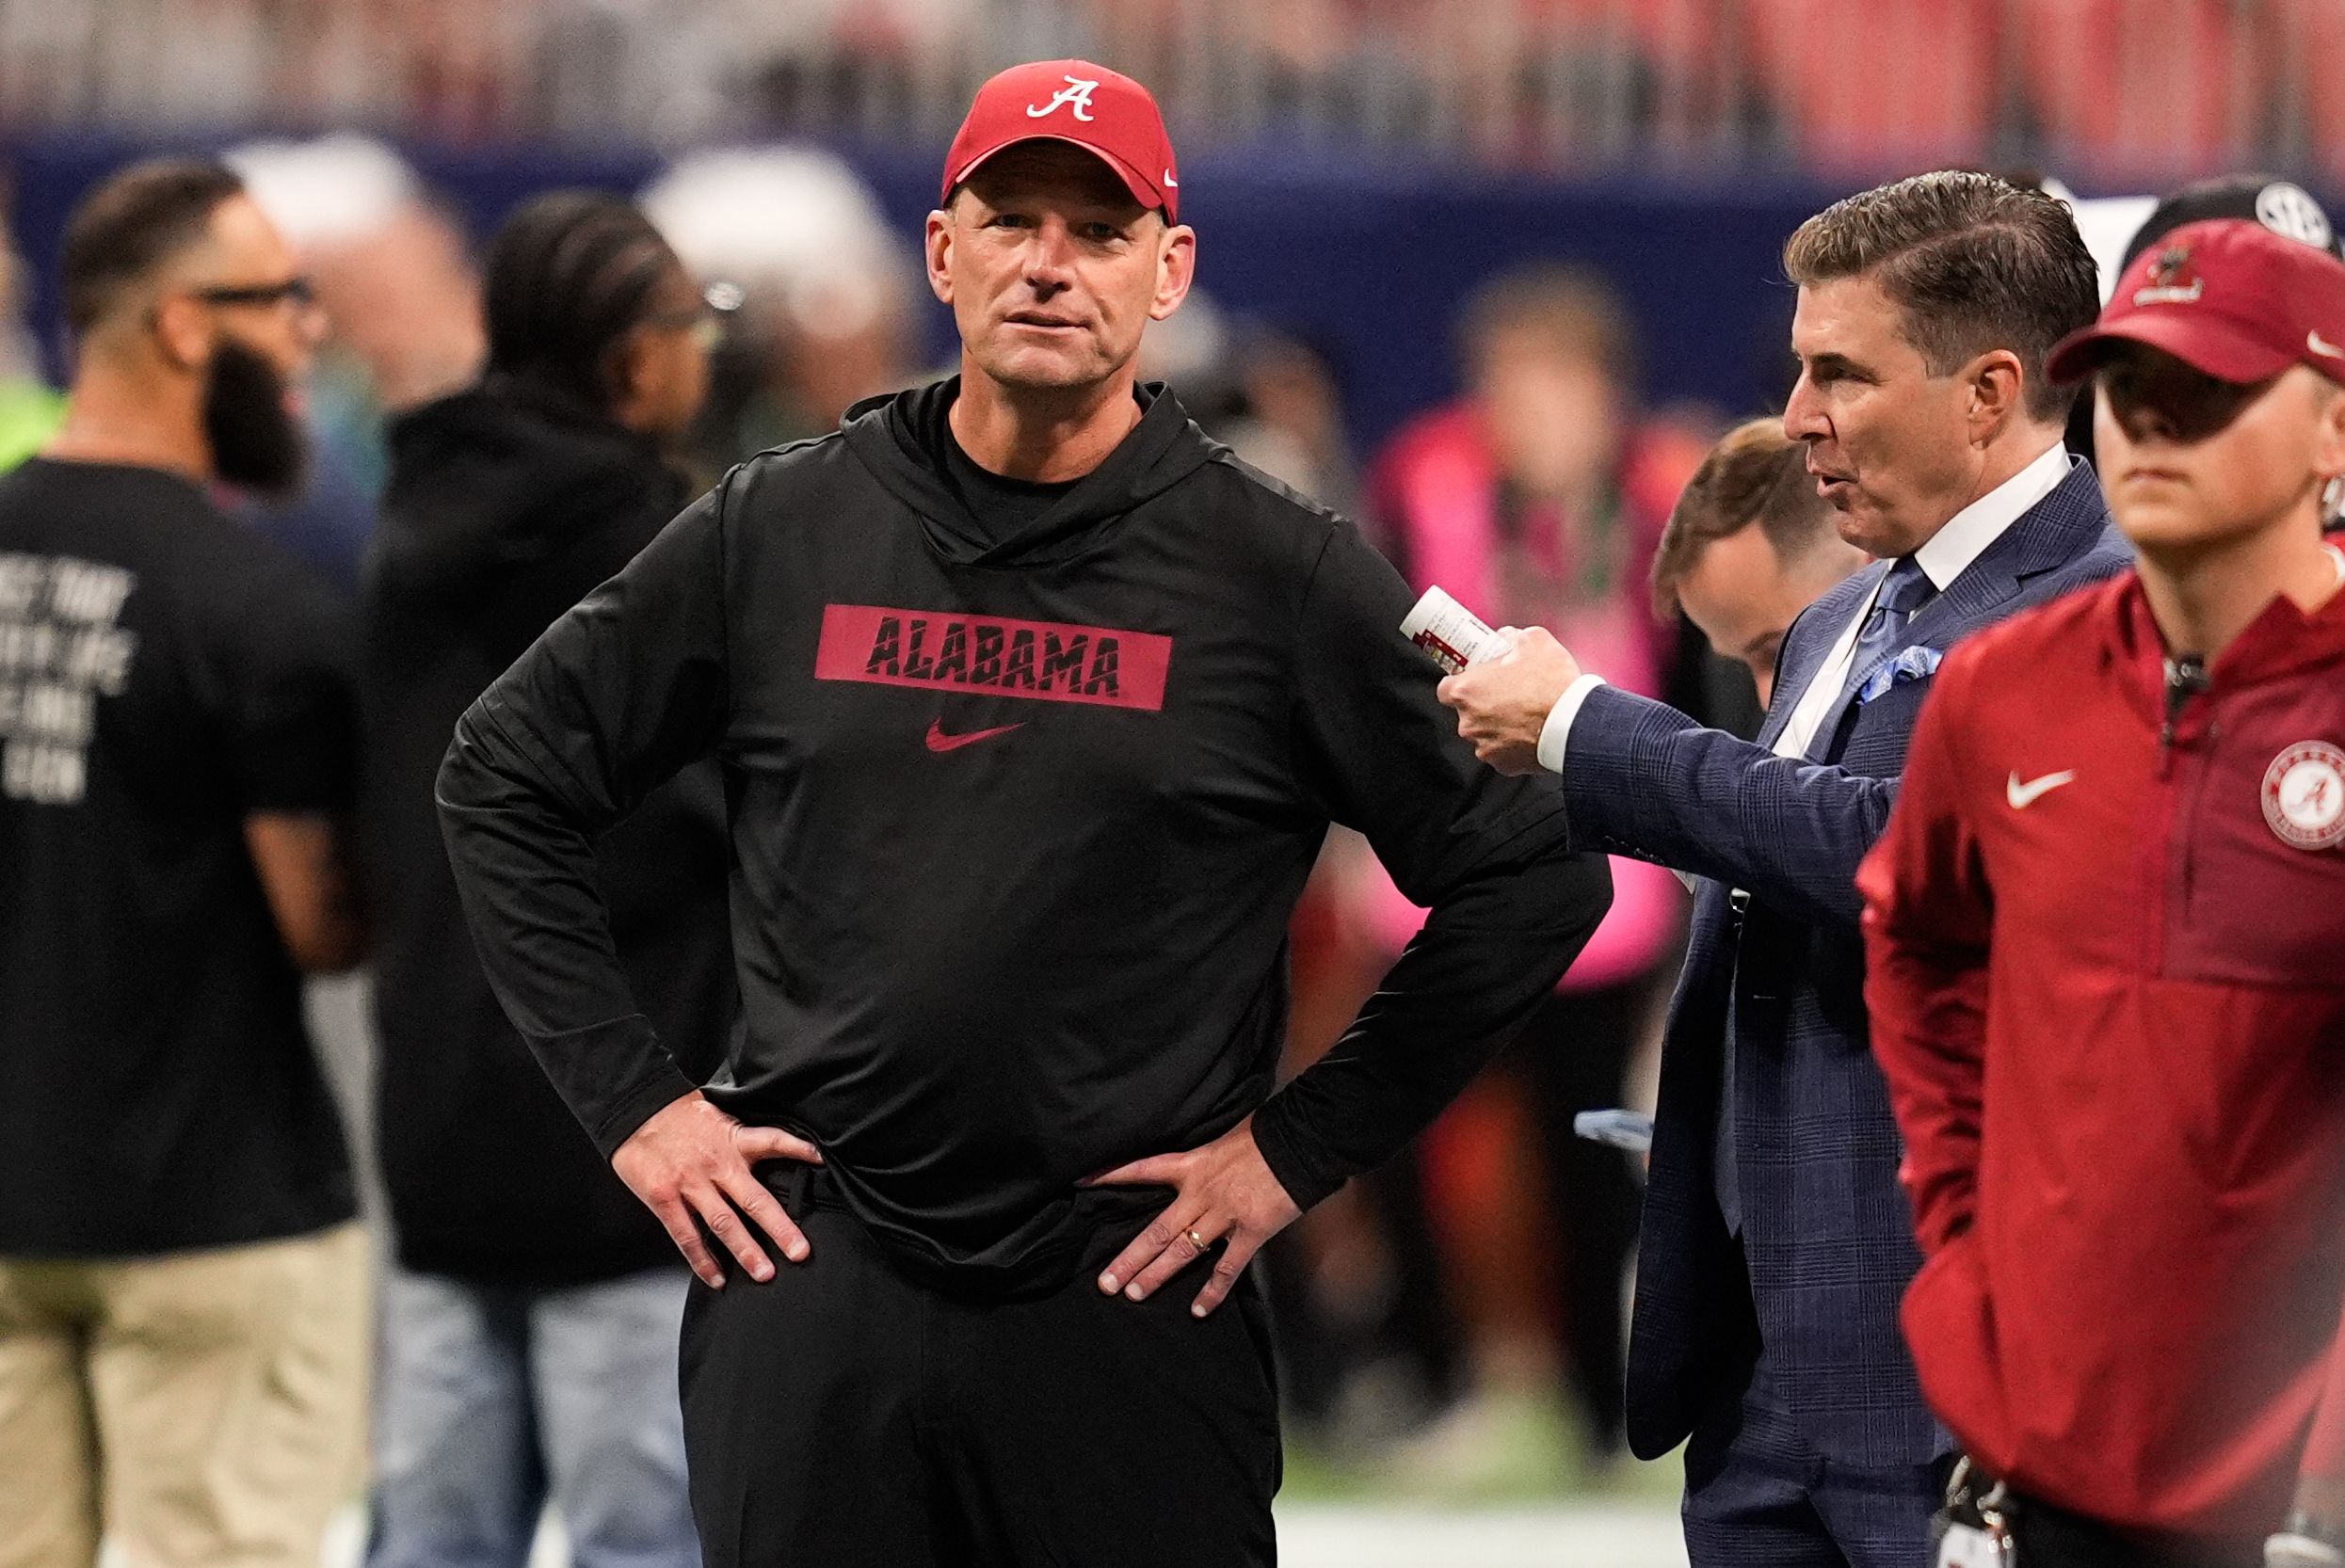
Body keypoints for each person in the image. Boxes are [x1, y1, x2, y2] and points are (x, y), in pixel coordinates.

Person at [435, 58, 1611, 1568]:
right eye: (1011, 220)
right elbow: (501, 774)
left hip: (1127, 1295)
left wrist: (1299, 1149)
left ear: (1169, 269)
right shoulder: (780, 524)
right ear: (941, 251)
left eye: (1100, 229)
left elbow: (1530, 871)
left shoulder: (1276, 573)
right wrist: (642, 1115)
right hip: (814, 1281)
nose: (1049, 263)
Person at [1437, 169, 2131, 1565]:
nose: (1797, 411)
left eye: (1838, 372)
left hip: (1946, 1395)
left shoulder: (2097, 604)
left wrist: (1584, 730)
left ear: (1989, 392)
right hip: (1764, 1385)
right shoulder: (1843, 613)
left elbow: (1881, 845)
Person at [1858, 218, 2345, 1568]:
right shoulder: (2001, 687)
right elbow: (1913, 947)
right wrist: (1962, 1239)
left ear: (2333, 436)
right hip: (2049, 1467)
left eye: (2210, 391)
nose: (2149, 425)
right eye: (2125, 388)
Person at [0, 159, 367, 1568]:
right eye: (280, 302)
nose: (305, 336)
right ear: (181, 328)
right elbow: (321, 928)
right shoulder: (255, 606)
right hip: (214, 1206)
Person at [360, 192, 731, 1568]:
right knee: (645, 1542)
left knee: (432, 1541)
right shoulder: (666, 546)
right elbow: (711, 830)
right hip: (637, 1137)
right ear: (635, 359)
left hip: (439, 1120)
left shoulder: (406, 521)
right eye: (695, 326)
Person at [1366, 263, 1692, 1462]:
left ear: (1609, 397)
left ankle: (1604, 1409)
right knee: (1394, 1130)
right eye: (1511, 383)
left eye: (1559, 385)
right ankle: (1426, 1373)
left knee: (1586, 1152)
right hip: (1440, 874)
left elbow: (1691, 685)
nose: (1533, 411)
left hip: (1610, 888)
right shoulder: (1426, 475)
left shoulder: (1662, 496)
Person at [1649, 414, 1870, 705]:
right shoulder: (1731, 702)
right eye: (1737, 664)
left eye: (1778, 653)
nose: (1766, 701)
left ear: (1869, 565)